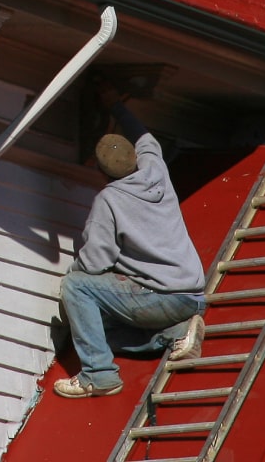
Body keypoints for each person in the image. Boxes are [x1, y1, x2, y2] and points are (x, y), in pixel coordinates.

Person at [53, 80, 207, 399]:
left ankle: (99, 375)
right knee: (98, 330)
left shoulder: (109, 200)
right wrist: (116, 105)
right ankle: (176, 334)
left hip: (159, 297)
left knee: (77, 287)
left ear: (101, 171)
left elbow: (96, 262)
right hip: (190, 296)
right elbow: (147, 139)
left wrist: (76, 268)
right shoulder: (156, 169)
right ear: (135, 158)